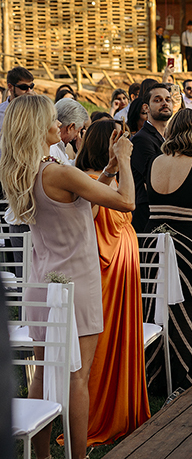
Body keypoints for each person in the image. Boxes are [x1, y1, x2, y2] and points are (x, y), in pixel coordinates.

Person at [0, 95, 134, 459]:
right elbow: (126, 202)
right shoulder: (59, 170)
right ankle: (78, 456)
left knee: (43, 372)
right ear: (36, 127)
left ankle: (41, 455)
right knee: (78, 376)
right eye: (50, 119)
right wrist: (124, 160)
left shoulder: (25, 171)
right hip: (77, 282)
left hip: (45, 283)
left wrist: (104, 171)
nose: (58, 124)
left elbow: (78, 211)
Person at [74, 119, 151, 445]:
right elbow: (125, 202)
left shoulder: (100, 180)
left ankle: (123, 410)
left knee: (121, 343)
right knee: (103, 349)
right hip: (106, 278)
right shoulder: (90, 182)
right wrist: (121, 165)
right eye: (121, 141)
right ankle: (95, 416)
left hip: (123, 275)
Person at [144, 109, 192, 393]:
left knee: (158, 305)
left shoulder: (154, 162)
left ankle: (155, 371)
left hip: (155, 243)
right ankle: (187, 368)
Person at [130, 82, 172, 232]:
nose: (164, 103)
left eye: (168, 99)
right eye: (158, 100)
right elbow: (153, 178)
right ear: (146, 107)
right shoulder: (142, 139)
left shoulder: (168, 138)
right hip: (148, 216)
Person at [53, 97, 90, 164]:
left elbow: (69, 166)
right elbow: (66, 170)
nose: (76, 137)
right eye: (78, 131)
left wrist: (81, 151)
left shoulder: (58, 146)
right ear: (70, 127)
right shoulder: (51, 147)